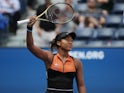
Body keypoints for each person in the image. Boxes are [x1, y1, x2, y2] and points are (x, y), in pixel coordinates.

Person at [26, 16, 86, 93]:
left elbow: (81, 85)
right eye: (67, 40)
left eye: (71, 40)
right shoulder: (50, 57)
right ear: (58, 43)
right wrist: (29, 28)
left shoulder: (77, 62)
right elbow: (30, 46)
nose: (70, 42)